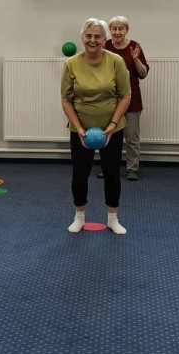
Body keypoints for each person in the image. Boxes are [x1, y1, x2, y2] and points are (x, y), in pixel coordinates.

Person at [61, 18, 131, 235]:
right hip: (81, 129)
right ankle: (79, 217)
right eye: (88, 36)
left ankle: (113, 219)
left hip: (112, 129)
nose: (93, 40)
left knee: (112, 174)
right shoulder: (71, 64)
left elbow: (125, 95)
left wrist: (113, 124)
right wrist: (79, 128)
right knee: (79, 175)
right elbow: (66, 99)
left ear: (104, 39)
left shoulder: (116, 61)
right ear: (82, 38)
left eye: (98, 36)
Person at [104, 16, 149, 181]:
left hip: (131, 98)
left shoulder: (134, 46)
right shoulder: (105, 45)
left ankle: (132, 169)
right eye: (114, 29)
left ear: (126, 30)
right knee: (108, 136)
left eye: (120, 29)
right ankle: (108, 168)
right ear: (110, 31)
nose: (117, 32)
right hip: (109, 98)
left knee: (131, 137)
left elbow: (143, 74)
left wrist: (136, 59)